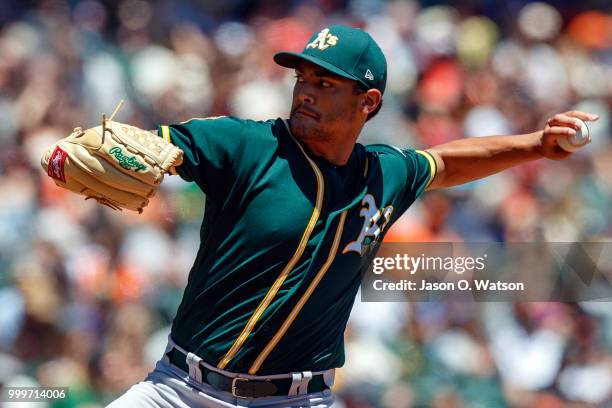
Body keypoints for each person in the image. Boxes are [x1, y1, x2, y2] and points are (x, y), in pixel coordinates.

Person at [106, 25, 598, 407]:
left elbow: (445, 162)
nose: (306, 92)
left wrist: (536, 144)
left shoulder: (383, 174)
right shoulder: (247, 144)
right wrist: (82, 153)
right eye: (302, 79)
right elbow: (152, 146)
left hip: (296, 399)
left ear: (369, 102)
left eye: (324, 82)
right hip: (178, 389)